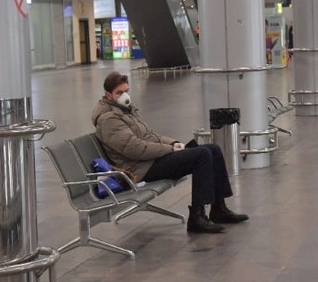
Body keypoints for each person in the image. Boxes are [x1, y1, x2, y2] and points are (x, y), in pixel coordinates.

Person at [92, 71, 249, 234]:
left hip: (149, 160)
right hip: (139, 169)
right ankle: (197, 217)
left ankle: (219, 208)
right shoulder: (110, 120)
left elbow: (151, 135)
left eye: (126, 91)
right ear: (108, 95)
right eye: (119, 93)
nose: (124, 96)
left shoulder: (126, 111)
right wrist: (169, 150)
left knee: (213, 149)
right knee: (202, 155)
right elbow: (135, 149)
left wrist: (173, 143)